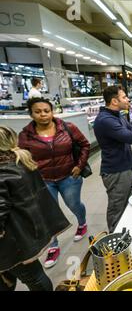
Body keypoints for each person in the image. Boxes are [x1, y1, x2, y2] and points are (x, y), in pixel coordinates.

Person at [18, 97, 90, 269]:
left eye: (46, 110)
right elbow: (23, 158)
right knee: (47, 214)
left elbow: (85, 145)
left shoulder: (67, 128)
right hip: (43, 181)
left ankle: (82, 223)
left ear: (52, 111)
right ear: (31, 114)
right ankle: (53, 246)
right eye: (38, 111)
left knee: (74, 204)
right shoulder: (25, 135)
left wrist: (79, 166)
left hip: (69, 177)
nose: (43, 114)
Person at [0, 126, 70, 291]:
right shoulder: (18, 160)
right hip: (25, 231)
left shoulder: (3, 171)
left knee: (33, 278)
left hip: (11, 241)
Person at [94, 86, 132, 232]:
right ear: (114, 101)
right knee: (118, 207)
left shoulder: (117, 116)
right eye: (124, 97)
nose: (127, 99)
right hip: (116, 172)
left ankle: (129, 233)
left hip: (127, 167)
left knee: (131, 203)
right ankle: (116, 241)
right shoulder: (105, 120)